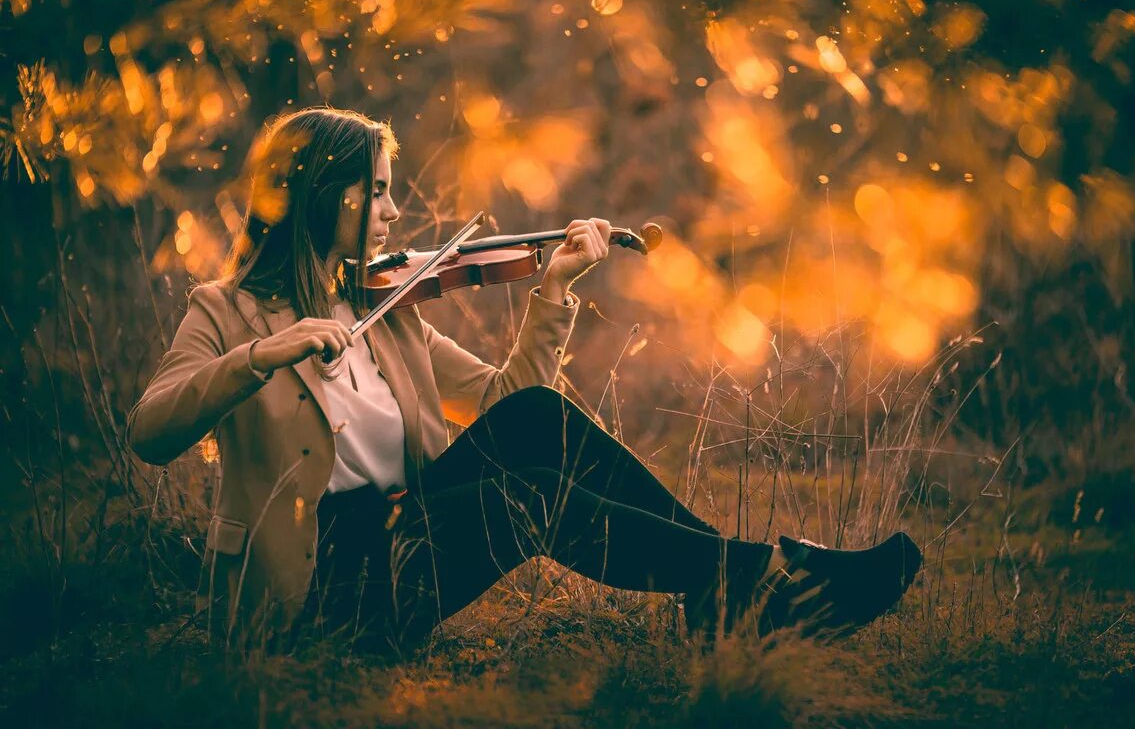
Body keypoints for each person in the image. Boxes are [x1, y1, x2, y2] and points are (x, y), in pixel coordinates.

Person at [124, 106, 921, 654]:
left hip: (414, 534)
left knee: (538, 424)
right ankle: (751, 584)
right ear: (319, 194)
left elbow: (512, 410)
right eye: (375, 191)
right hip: (327, 591)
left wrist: (554, 291)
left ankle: (735, 586)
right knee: (529, 497)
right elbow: (151, 430)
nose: (393, 212)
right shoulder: (225, 312)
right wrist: (261, 356)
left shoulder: (386, 307)